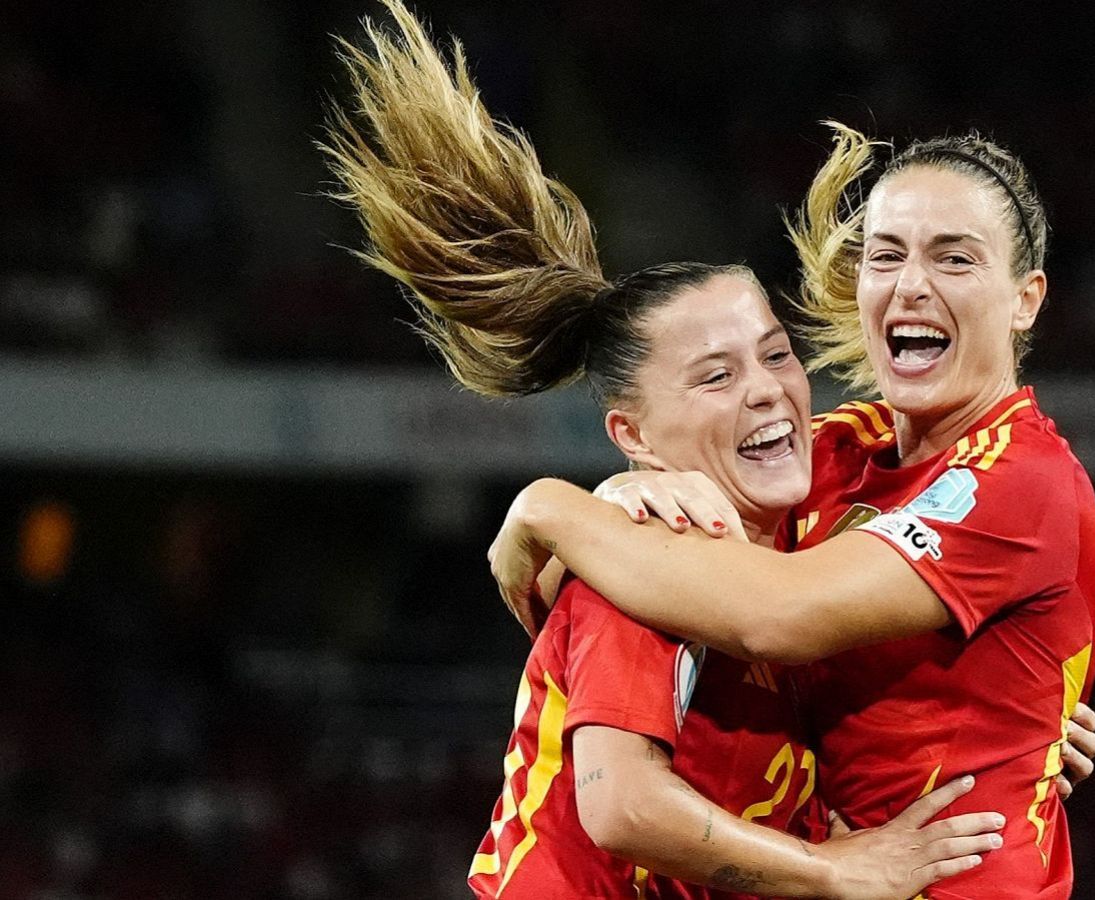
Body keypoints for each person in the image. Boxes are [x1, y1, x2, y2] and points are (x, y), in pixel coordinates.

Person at [321, 4, 1007, 897]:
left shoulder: (809, 535)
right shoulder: (644, 564)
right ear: (633, 438)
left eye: (775, 354)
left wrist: (1019, 714)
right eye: (716, 377)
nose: (767, 389)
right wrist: (833, 872)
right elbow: (624, 807)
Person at [487, 122, 1095, 897]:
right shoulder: (834, 455)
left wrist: (550, 506)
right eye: (887, 255)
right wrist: (615, 497)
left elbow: (778, 614)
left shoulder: (1023, 476)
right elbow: (618, 570)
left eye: (954, 257)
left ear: (1025, 299)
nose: (912, 283)